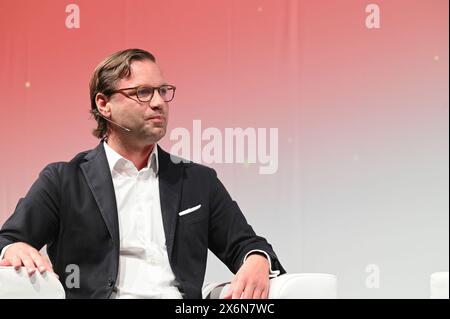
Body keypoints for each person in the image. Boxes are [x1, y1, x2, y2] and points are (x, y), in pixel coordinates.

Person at [0, 48, 285, 299]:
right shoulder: (64, 181)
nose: (159, 102)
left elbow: (247, 244)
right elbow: (7, 240)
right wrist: (13, 249)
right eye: (142, 92)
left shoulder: (197, 181)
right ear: (104, 104)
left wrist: (257, 259)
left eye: (163, 91)